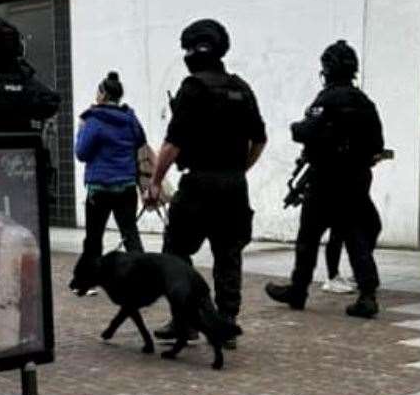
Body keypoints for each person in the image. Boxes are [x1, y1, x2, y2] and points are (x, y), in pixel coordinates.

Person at [144, 18, 267, 341]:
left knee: (175, 252)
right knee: (229, 255)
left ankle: (187, 320)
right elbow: (260, 140)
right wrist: (239, 169)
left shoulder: (193, 88)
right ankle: (226, 323)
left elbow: (173, 144)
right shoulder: (241, 88)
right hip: (234, 187)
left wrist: (155, 182)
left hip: (199, 185)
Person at [265, 40, 384, 318]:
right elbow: (377, 143)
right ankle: (368, 295)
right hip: (355, 180)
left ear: (328, 70)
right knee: (356, 238)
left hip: (325, 180)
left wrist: (297, 127)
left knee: (308, 238)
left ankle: (298, 290)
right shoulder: (365, 103)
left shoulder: (326, 99)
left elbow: (305, 131)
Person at [75, 71, 147, 263]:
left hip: (100, 187)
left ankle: (89, 279)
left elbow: (81, 153)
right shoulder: (130, 119)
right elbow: (140, 140)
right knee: (130, 234)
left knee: (94, 237)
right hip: (127, 187)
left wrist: (80, 130)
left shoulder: (94, 120)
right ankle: (143, 276)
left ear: (103, 94)